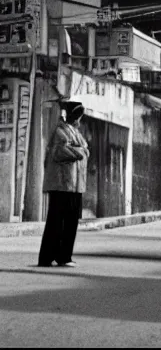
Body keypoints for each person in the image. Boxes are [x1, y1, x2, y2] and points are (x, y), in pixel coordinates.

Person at [38, 101, 89, 268]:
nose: (79, 119)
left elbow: (84, 150)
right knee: (56, 221)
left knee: (71, 222)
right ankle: (47, 257)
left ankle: (64, 256)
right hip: (62, 185)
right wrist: (79, 151)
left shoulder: (75, 132)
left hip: (74, 186)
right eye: (78, 115)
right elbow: (62, 152)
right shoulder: (60, 131)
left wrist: (79, 150)